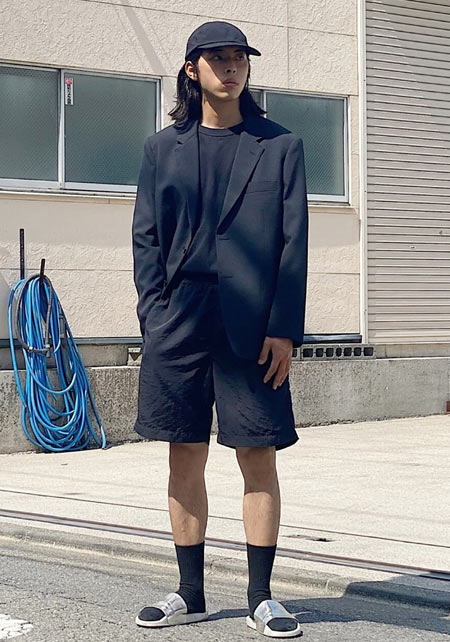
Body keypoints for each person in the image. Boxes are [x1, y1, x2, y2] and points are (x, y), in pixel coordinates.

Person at [132, 20, 308, 638]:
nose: (231, 68)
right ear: (192, 69)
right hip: (178, 317)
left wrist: (284, 329)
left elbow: (292, 243)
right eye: (217, 59)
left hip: (253, 324)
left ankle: (262, 597)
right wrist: (154, 316)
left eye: (239, 59)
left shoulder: (280, 145)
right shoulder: (162, 149)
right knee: (184, 451)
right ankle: (191, 593)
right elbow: (146, 238)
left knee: (257, 452)